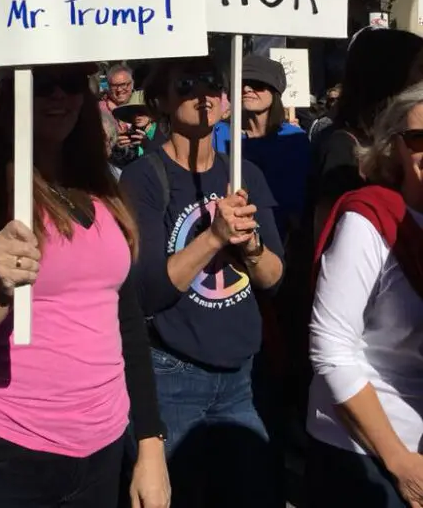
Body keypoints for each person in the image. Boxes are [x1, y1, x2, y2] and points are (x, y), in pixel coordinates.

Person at [0, 63, 170, 508]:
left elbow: (126, 322)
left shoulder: (102, 190)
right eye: (41, 84)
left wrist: (150, 443)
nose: (58, 97)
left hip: (102, 449)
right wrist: (0, 292)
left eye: (71, 83)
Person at [121, 56, 284, 508]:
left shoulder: (244, 173)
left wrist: (250, 247)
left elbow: (274, 278)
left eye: (213, 82)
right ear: (160, 103)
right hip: (173, 375)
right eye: (187, 84)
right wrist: (213, 237)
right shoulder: (143, 178)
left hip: (242, 377)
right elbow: (149, 290)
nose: (203, 94)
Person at [307, 83, 423, 508]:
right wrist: (400, 462)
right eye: (419, 138)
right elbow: (330, 348)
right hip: (369, 454)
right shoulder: (368, 220)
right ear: (395, 148)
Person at [310, 28, 423, 241]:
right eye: (420, 68)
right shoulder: (342, 147)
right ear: (392, 75)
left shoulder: (385, 137)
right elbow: (329, 235)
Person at [214, 55, 310, 237]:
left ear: (275, 92)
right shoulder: (218, 134)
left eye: (257, 84)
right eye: (241, 84)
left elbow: (302, 197)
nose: (247, 89)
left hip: (281, 239)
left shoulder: (295, 138)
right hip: (229, 236)